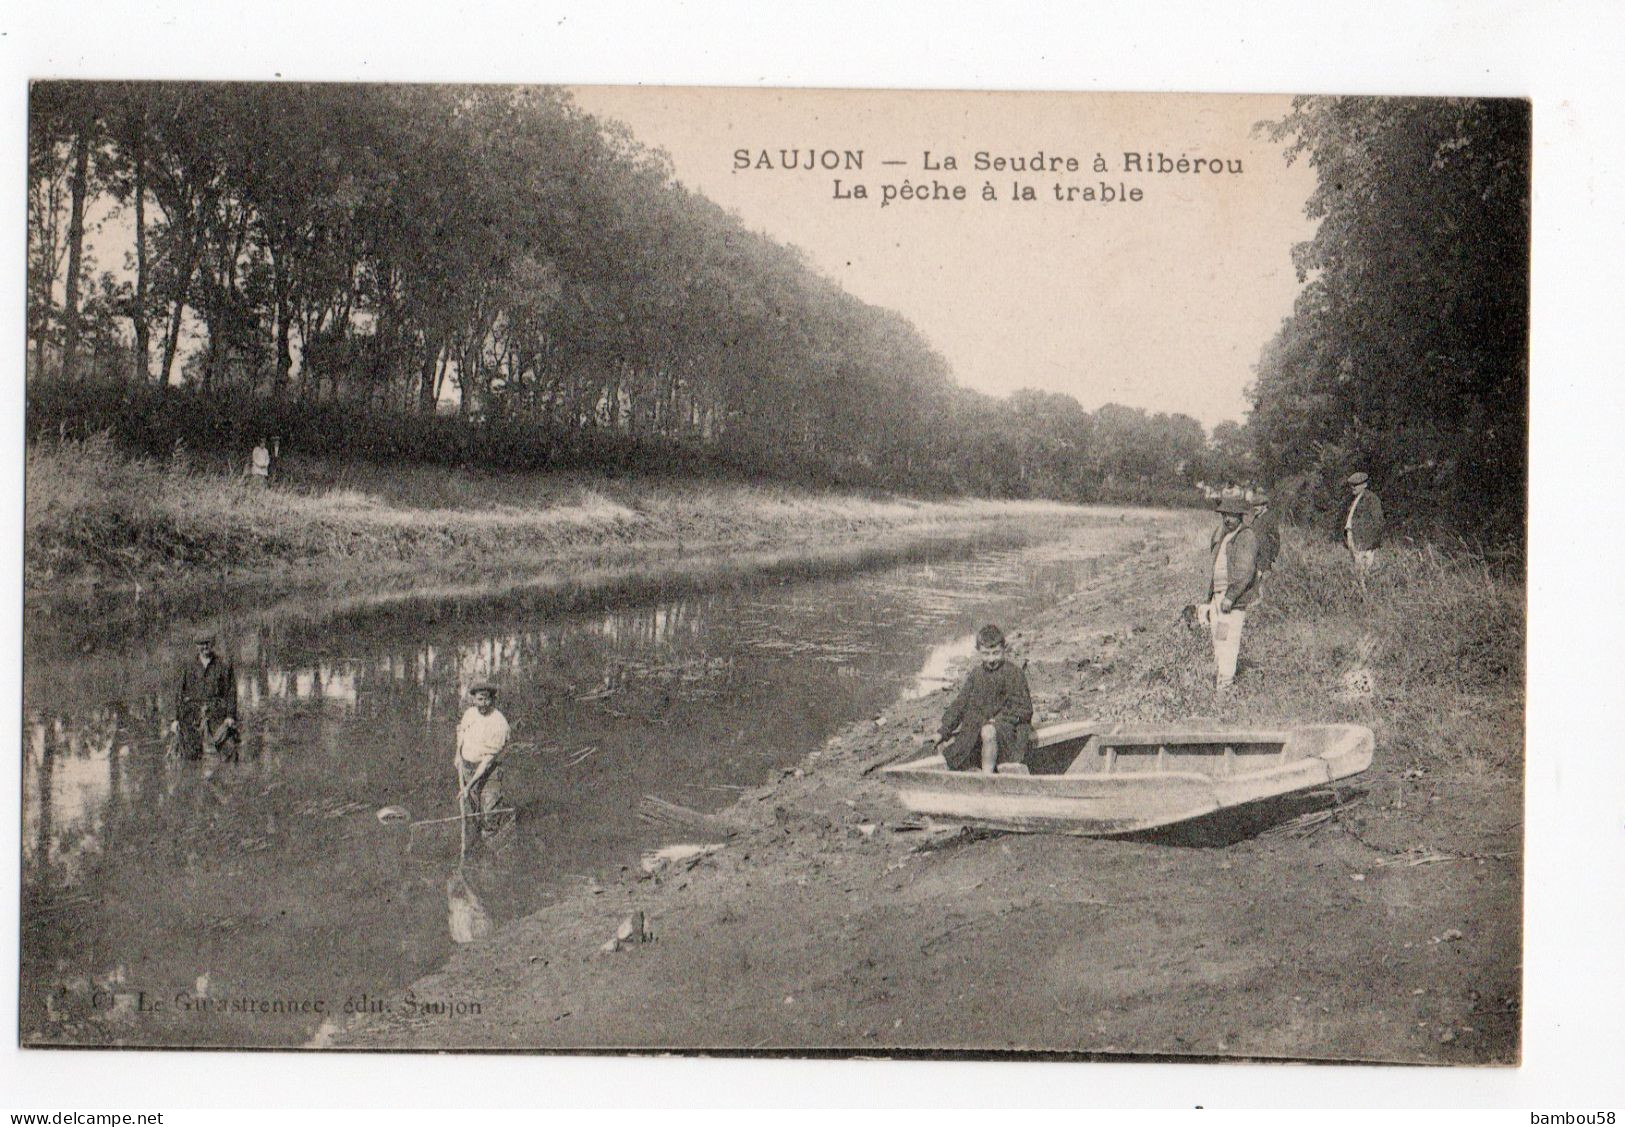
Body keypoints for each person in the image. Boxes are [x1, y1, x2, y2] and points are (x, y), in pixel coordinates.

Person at [933, 624, 1034, 773]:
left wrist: (997, 720)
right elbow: (961, 703)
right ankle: (974, 766)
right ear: (978, 652)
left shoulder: (1014, 673)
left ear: (1004, 649)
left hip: (1009, 729)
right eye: (986, 654)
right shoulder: (977, 674)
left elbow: (1025, 710)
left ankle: (987, 778)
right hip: (982, 725)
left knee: (988, 731)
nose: (991, 659)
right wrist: (943, 731)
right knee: (964, 742)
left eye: (996, 653)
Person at [1204, 495, 1260, 693]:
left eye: (1231, 515)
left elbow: (1245, 571)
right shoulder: (1226, 535)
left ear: (1240, 516)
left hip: (1231, 601)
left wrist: (1231, 596)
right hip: (1219, 597)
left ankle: (1226, 685)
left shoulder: (1245, 536)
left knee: (1228, 641)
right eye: (1224, 515)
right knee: (1219, 638)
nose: (1227, 519)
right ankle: (1221, 680)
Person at [455, 680, 511, 838]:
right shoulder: (469, 714)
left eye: (487, 699)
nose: (483, 703)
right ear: (473, 699)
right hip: (467, 767)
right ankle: (474, 839)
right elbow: (461, 732)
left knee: (490, 810)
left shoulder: (499, 724)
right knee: (472, 808)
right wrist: (457, 754)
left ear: (492, 699)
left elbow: (487, 762)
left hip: (489, 771)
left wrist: (469, 785)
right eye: (480, 699)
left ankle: (491, 841)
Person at [171, 633, 239, 760]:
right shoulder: (188, 666)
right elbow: (179, 692)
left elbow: (231, 692)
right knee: (190, 756)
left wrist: (230, 716)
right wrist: (175, 719)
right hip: (193, 716)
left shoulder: (223, 665)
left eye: (207, 643)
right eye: (201, 644)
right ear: (197, 646)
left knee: (229, 753)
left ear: (212, 644)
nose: (205, 647)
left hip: (216, 715)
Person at [1343, 471, 1385, 588]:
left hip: (1364, 538)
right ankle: (1361, 589)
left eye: (1355, 485)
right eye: (1351, 485)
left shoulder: (1371, 499)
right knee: (1357, 564)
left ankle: (1366, 590)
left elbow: (1378, 521)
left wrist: (1373, 541)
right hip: (1353, 535)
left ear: (1364, 485)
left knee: (1364, 566)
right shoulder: (1354, 499)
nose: (1353, 488)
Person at [1247, 489, 1281, 593]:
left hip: (1264, 556)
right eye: (1253, 506)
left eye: (1256, 506)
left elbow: (1274, 540)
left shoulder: (1270, 519)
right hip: (1254, 556)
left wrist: (1271, 558)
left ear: (1264, 506)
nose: (1254, 508)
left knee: (1261, 583)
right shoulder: (1256, 518)